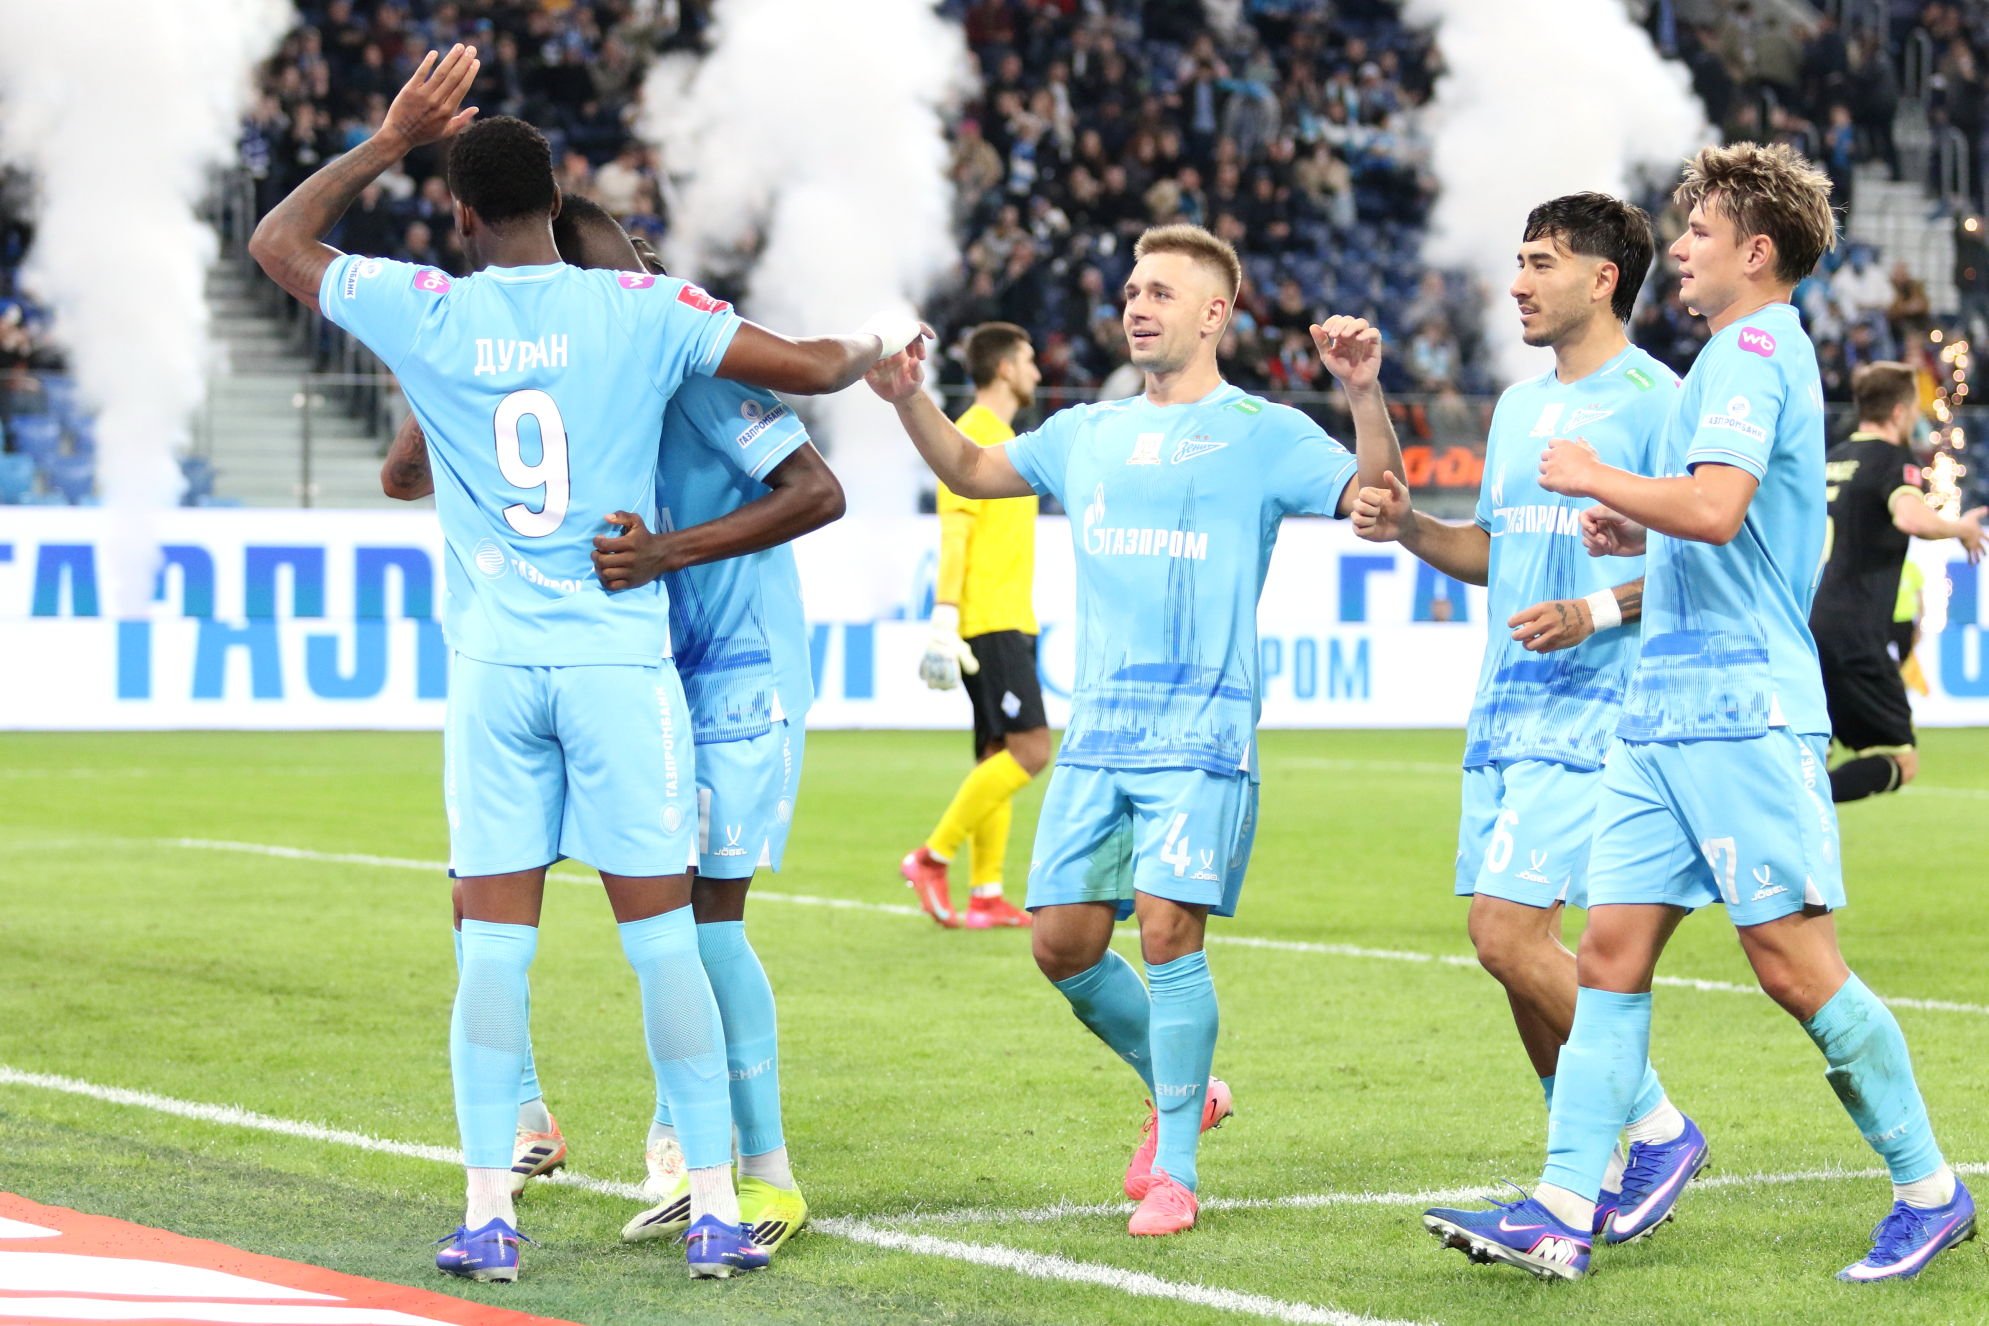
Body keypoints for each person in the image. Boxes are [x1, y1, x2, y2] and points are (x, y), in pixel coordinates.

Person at [248, 45, 920, 1282]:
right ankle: (713, 1206)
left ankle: (487, 1215)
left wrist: (391, 138)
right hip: (618, 664)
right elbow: (822, 368)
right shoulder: (646, 311)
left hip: (495, 673)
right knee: (664, 939)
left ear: (460, 215)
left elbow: (279, 244)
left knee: (492, 946)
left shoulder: (427, 309)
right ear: (558, 200)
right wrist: (888, 330)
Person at [1424, 142, 1973, 1283]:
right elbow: (1718, 516)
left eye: (1699, 232)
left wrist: (1597, 480)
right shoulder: (1728, 358)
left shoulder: (1755, 349)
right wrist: (1638, 523)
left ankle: (1929, 1190)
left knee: (1792, 965)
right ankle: (1562, 1206)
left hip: (1738, 705)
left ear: (1755, 252)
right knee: (1608, 956)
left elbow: (1718, 510)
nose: (1678, 248)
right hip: (1661, 716)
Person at [866, 223, 1402, 1237]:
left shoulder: (1265, 431)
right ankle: (1185, 1088)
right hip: (1101, 734)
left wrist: (1363, 392)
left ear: (1214, 313)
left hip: (1202, 731)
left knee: (1166, 931)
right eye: (1129, 291)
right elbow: (972, 469)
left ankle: (1177, 1175)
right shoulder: (1086, 432)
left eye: (1160, 291)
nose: (1136, 306)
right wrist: (906, 400)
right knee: (1062, 946)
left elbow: (1376, 495)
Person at [380, 197, 842, 1257]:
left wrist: (666, 556)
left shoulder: (698, 369)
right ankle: (540, 1122)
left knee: (700, 921)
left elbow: (819, 490)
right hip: (623, 674)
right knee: (486, 903)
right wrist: (449, 375)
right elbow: (403, 477)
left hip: (726, 681)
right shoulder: (562, 371)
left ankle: (757, 1175)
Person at [1354, 193, 1706, 1250]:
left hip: (1603, 708)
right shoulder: (1515, 407)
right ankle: (1576, 1180)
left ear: (1603, 278)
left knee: (1507, 935)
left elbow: (1708, 554)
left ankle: (1657, 1129)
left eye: (1540, 262)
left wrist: (1596, 610)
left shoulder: (1658, 400)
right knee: (1515, 956)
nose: (1516, 283)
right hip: (1504, 706)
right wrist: (1410, 526)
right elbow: (1493, 550)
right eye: (1517, 260)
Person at [901, 322, 1048, 929]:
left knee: (996, 754)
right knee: (1032, 750)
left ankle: (986, 892)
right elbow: (956, 533)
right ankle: (932, 858)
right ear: (1006, 368)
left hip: (1008, 617)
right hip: (990, 622)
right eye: (1029, 359)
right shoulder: (973, 435)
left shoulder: (1006, 440)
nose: (1038, 371)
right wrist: (946, 617)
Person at [1812, 361, 1986, 801]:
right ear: (1898, 412)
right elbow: (1909, 517)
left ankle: (1792, 818)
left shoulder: (1832, 459)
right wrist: (1960, 529)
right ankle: (1801, 802)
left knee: (1813, 748)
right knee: (1900, 760)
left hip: (1808, 626)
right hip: (1855, 633)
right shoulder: (1893, 460)